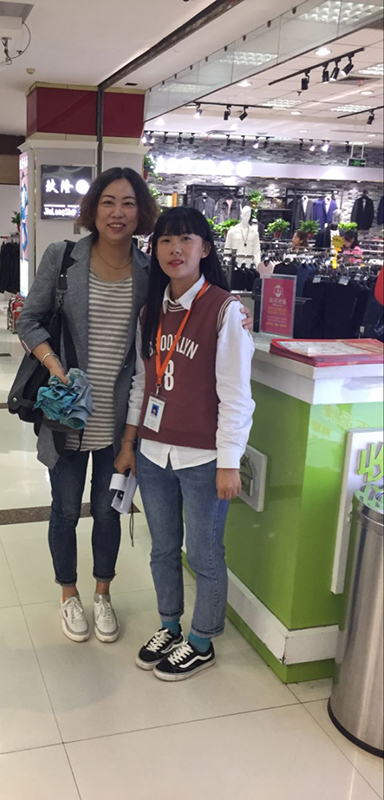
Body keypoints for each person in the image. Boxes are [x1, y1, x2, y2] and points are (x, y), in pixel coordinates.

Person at [17, 168, 253, 646]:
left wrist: (234, 313)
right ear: (93, 209)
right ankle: (69, 593)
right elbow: (30, 320)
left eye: (128, 203)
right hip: (67, 412)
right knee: (65, 510)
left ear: (141, 211)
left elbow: (167, 337)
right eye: (108, 202)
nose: (117, 213)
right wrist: (55, 366)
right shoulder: (63, 258)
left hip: (123, 419)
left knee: (109, 513)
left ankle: (103, 593)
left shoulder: (151, 271)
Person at [115, 206, 255, 682]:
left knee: (203, 553)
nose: (174, 250)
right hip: (154, 452)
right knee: (162, 548)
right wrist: (131, 442)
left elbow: (236, 395)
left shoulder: (225, 310)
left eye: (186, 239)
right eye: (165, 241)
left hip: (203, 458)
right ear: (154, 250)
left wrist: (230, 462)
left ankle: (202, 640)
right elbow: (142, 383)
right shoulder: (150, 311)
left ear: (205, 248)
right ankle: (170, 626)